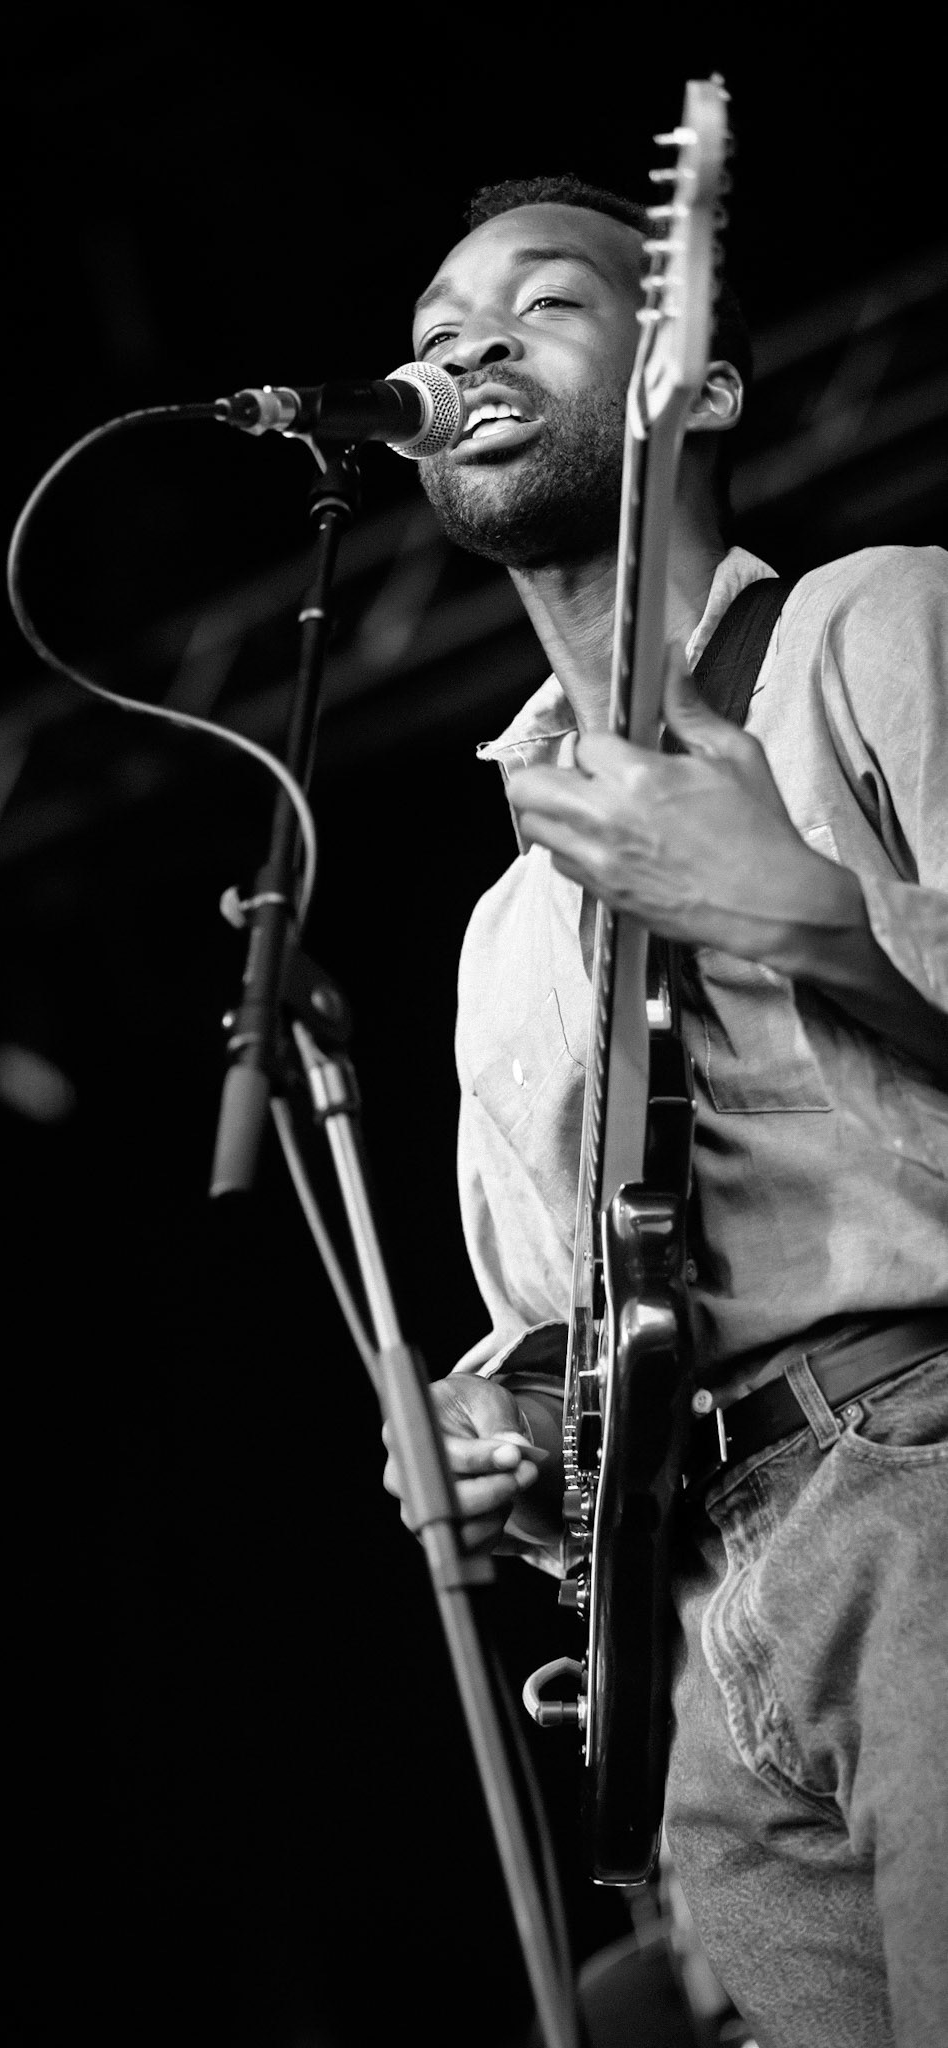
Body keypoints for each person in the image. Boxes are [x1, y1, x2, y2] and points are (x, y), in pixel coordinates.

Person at [379, 174, 948, 2048]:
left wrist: (801, 916)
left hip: (921, 1485)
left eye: (538, 301)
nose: (459, 339)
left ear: (691, 381)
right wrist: (487, 1435)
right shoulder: (506, 922)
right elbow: (551, 1338)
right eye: (437, 321)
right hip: (692, 1648)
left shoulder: (873, 626)